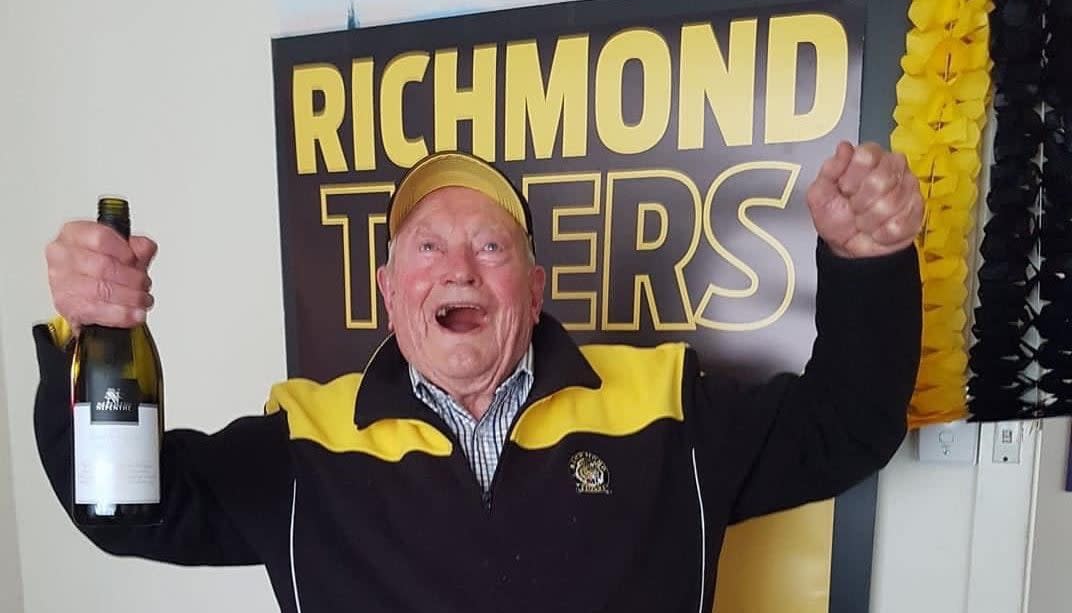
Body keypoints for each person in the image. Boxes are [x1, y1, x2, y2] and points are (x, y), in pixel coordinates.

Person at [33, 142, 923, 613]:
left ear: (533, 290)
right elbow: (122, 506)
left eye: (491, 245)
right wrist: (90, 330)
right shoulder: (304, 442)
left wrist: (871, 263)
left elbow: (849, 425)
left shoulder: (665, 405)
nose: (458, 268)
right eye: (427, 246)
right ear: (389, 292)